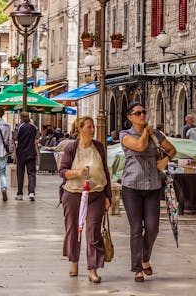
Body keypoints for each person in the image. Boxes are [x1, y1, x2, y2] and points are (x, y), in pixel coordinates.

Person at [120, 102, 176, 282]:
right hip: (132, 187)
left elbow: (172, 149)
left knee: (152, 228)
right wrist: (147, 131)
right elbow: (139, 146)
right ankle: (137, 268)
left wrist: (166, 160)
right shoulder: (125, 135)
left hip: (153, 186)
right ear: (129, 117)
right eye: (137, 113)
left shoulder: (157, 134)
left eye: (143, 112)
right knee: (136, 228)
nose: (142, 115)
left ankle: (145, 257)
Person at [58, 116, 112, 283]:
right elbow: (62, 171)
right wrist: (77, 173)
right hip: (74, 193)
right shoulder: (71, 148)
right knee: (73, 228)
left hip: (96, 194)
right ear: (80, 129)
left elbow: (106, 172)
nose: (92, 130)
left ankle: (92, 268)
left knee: (93, 230)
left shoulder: (99, 147)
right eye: (88, 127)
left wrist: (108, 196)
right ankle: (74, 261)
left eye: (93, 127)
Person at [15, 112, 38, 201]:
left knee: (20, 173)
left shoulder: (20, 127)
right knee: (31, 173)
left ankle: (20, 193)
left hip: (21, 153)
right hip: (31, 153)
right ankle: (31, 192)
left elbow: (15, 137)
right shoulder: (33, 127)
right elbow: (37, 137)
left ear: (21, 118)